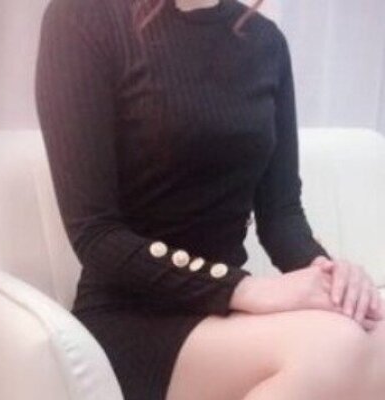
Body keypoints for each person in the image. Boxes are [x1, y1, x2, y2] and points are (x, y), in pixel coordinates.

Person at [35, 0, 385, 399]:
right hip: (130, 314)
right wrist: (246, 290)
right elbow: (96, 235)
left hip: (224, 312)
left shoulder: (265, 42)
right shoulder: (84, 17)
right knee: (333, 347)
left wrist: (329, 275)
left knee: (375, 335)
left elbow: (281, 215)